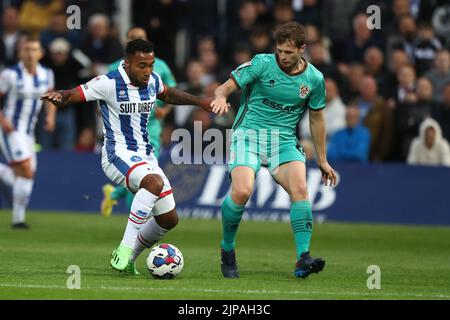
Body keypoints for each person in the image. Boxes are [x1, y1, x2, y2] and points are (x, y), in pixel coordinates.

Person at [41, 39, 225, 274]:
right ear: (127, 64)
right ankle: (124, 248)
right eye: (142, 66)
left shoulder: (153, 80)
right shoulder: (108, 82)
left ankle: (128, 261)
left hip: (145, 156)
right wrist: (60, 96)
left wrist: (202, 102)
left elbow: (169, 94)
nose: (147, 71)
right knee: (154, 183)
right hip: (116, 154)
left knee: (168, 219)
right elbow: (74, 94)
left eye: (151, 65)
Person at [210, 22, 337, 279]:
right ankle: (227, 249)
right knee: (243, 191)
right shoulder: (261, 63)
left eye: (289, 52)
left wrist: (322, 160)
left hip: (284, 142)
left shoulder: (314, 79)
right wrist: (221, 97)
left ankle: (303, 258)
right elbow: (224, 87)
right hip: (249, 136)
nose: (283, 56)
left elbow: (317, 119)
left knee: (300, 189)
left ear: (303, 49)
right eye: (279, 50)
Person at [101, 27, 177, 217]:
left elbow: (172, 91)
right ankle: (136, 222)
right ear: (126, 43)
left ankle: (115, 195)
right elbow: (102, 97)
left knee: (146, 176)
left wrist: (165, 110)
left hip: (150, 127)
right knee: (142, 179)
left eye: (140, 38)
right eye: (132, 38)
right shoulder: (114, 68)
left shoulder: (160, 66)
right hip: (125, 132)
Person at [0, 37, 56, 229]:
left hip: (29, 132)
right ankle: (18, 219)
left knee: (27, 176)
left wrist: (50, 117)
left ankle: (18, 219)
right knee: (25, 170)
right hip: (11, 130)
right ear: (20, 53)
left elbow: (50, 97)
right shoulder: (10, 74)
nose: (31, 53)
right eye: (27, 49)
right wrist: (3, 121)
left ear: (40, 53)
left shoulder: (46, 74)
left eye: (34, 49)